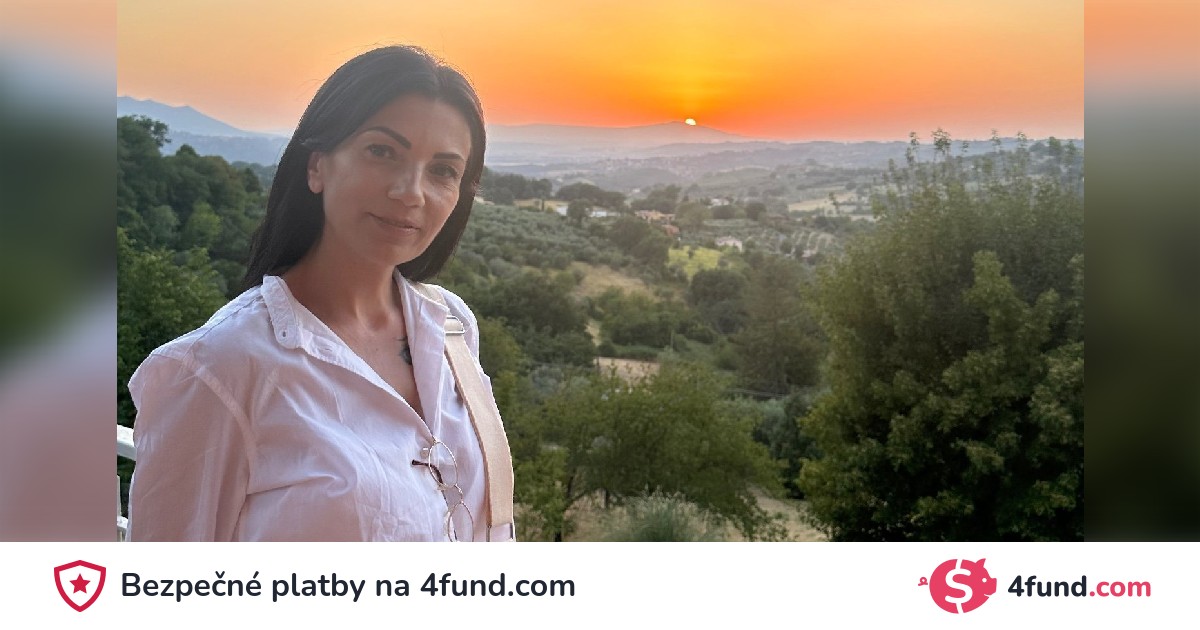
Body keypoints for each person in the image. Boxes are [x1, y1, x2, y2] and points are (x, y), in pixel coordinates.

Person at [126, 45, 512, 542]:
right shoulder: (217, 369)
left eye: (443, 171)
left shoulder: (452, 328)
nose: (411, 191)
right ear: (317, 167)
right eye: (382, 151)